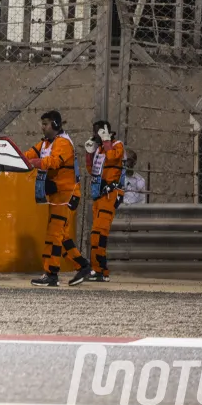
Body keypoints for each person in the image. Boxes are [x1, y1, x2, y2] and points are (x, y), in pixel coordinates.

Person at [21, 110, 91, 287]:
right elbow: (28, 155)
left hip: (67, 196)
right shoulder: (45, 143)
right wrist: (13, 158)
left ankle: (52, 274)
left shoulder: (63, 143)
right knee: (62, 235)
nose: (42, 127)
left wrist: (33, 163)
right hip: (58, 196)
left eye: (45, 124)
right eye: (42, 124)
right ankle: (83, 266)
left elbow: (53, 162)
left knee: (54, 234)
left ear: (56, 125)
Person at [85, 120, 126, 283]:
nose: (95, 135)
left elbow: (112, 157)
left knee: (100, 232)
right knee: (95, 233)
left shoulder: (117, 145)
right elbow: (91, 171)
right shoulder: (100, 148)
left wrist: (107, 140)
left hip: (111, 193)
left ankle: (100, 270)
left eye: (97, 132)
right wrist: (89, 154)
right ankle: (98, 269)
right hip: (99, 194)